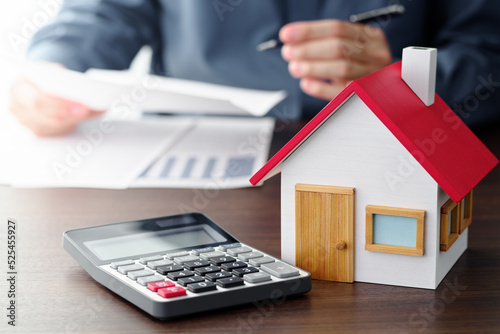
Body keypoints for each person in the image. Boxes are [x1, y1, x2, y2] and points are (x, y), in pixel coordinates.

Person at [9, 0, 500, 136]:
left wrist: (400, 81)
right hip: (189, 153)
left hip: (380, 145)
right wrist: (54, 71)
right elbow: (104, 12)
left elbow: (488, 57)